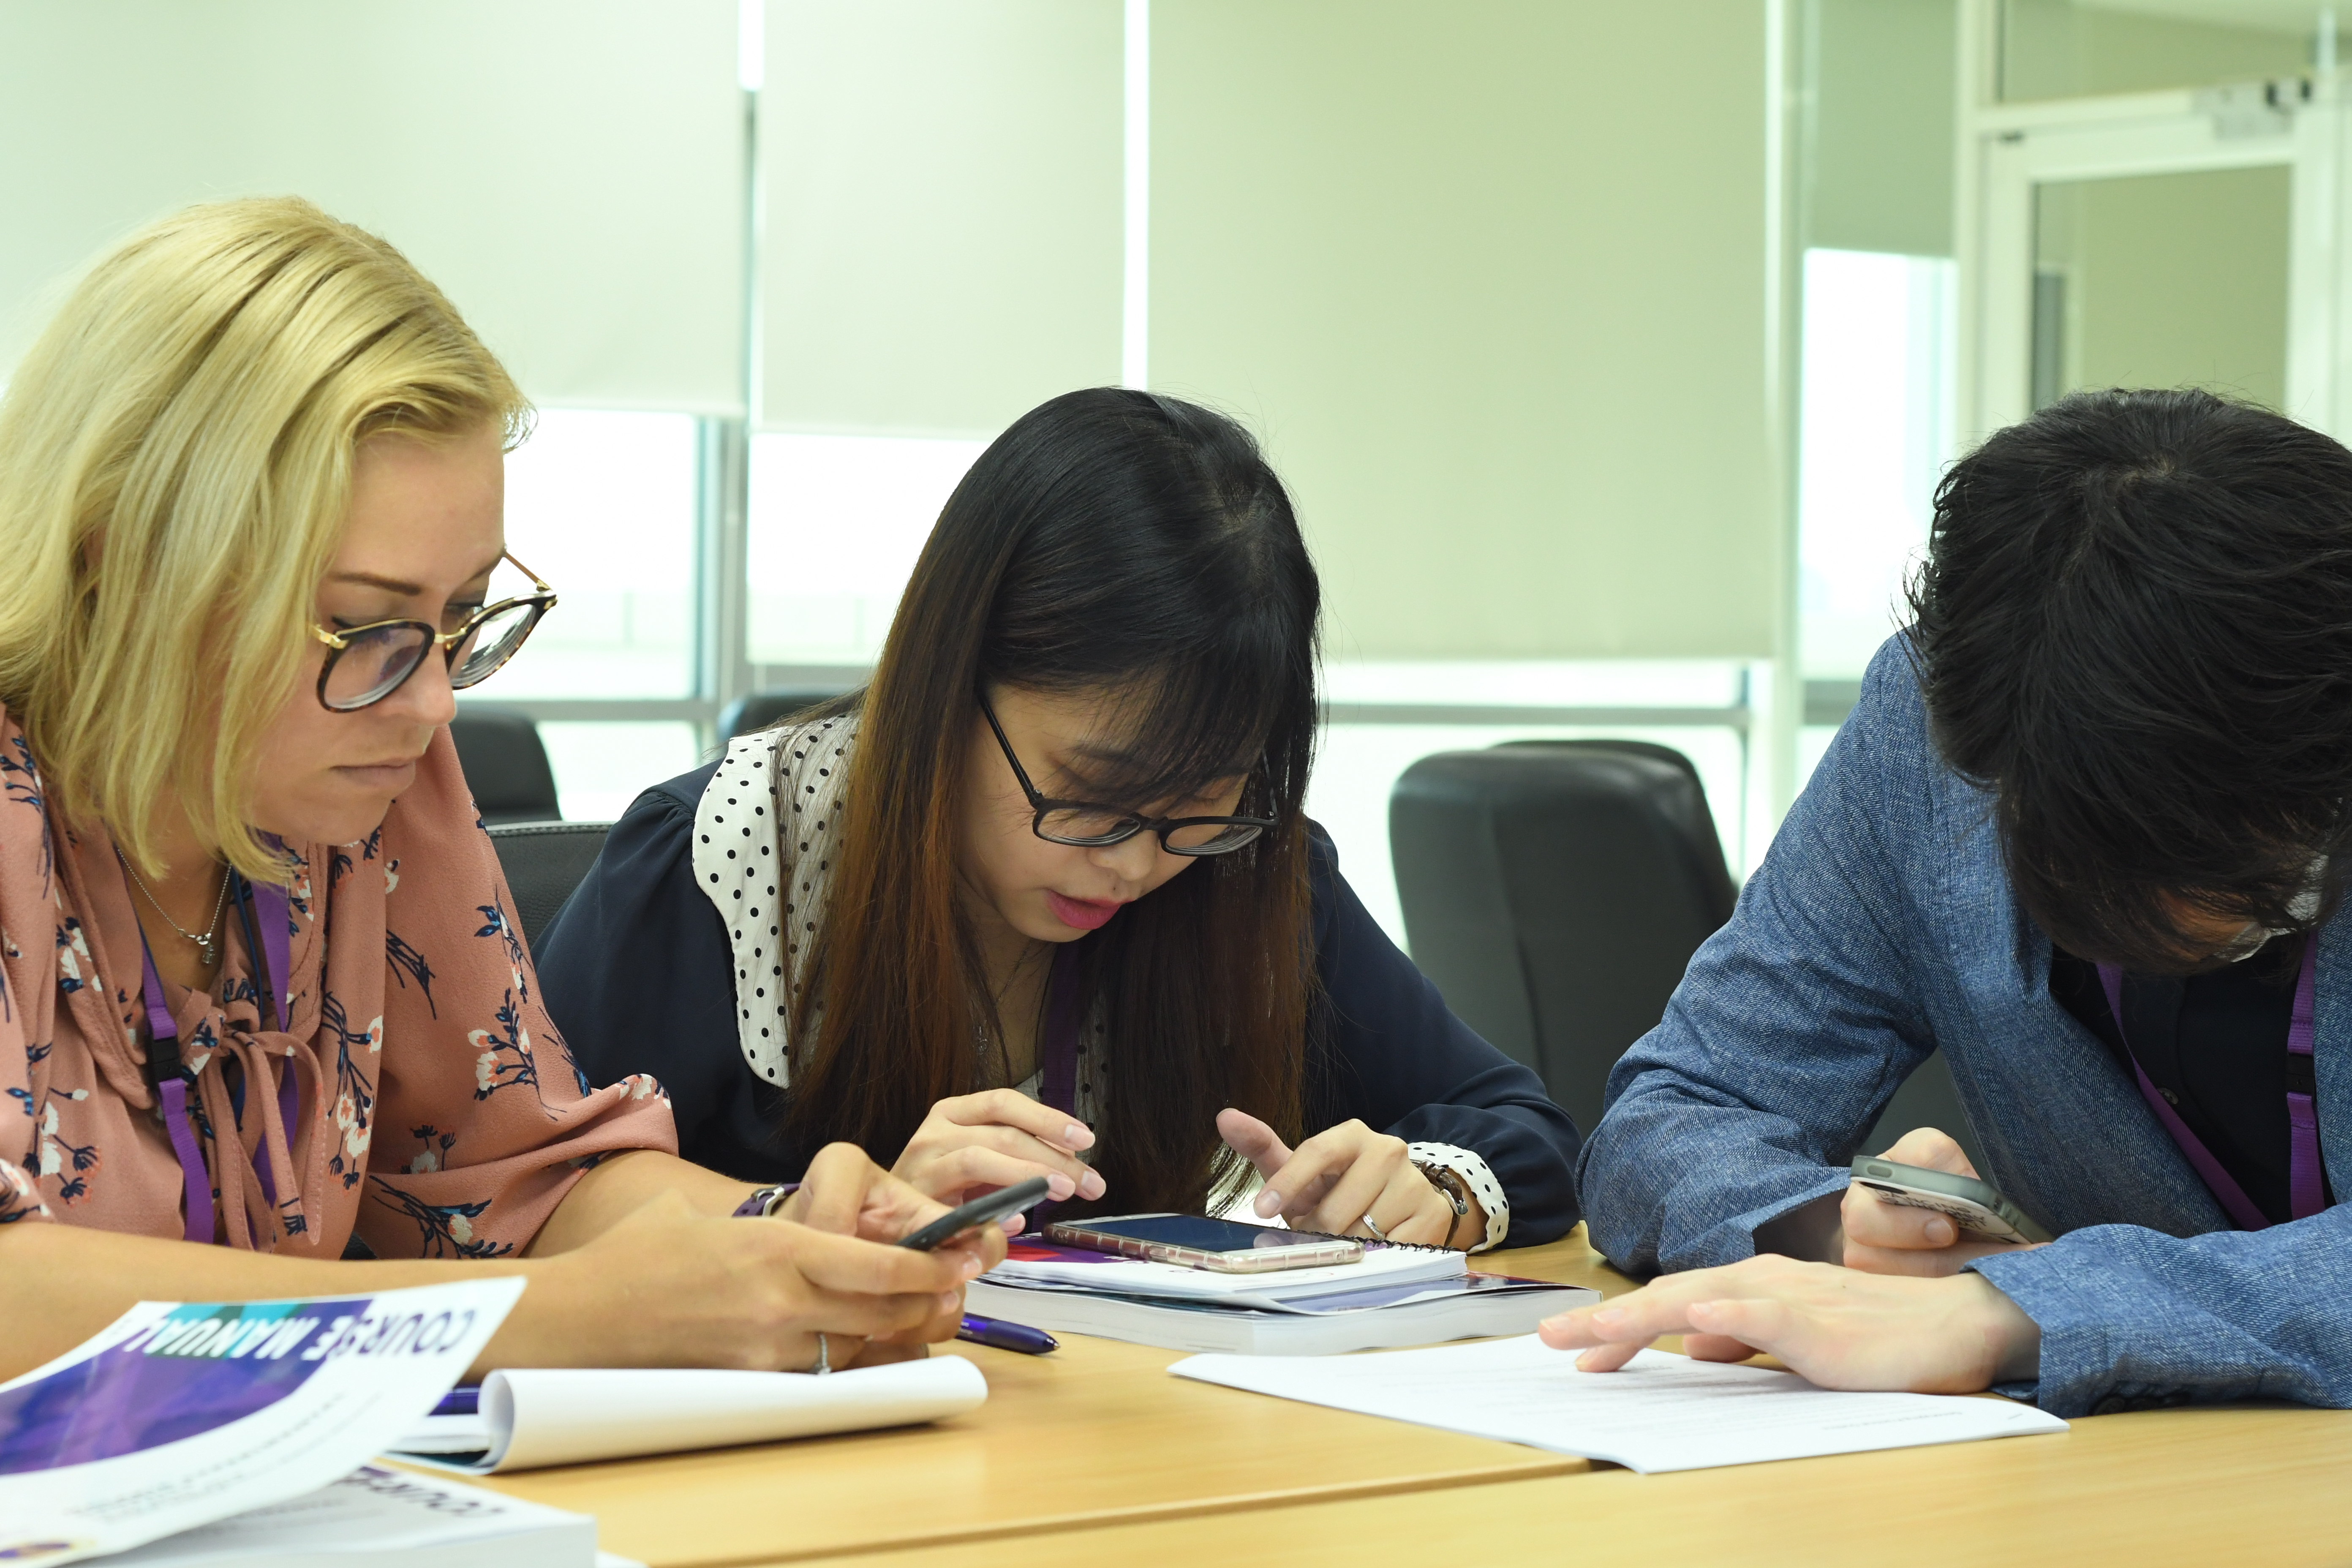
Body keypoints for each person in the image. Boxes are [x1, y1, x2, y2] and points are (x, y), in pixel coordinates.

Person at [0, 197, 1001, 1385]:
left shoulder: (374, 788)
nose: (433, 706)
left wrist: (773, 1242)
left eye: (463, 617)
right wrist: (561, 1318)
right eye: (368, 625)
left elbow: (518, 1176)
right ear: (121, 558)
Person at [536, 388, 1581, 1250]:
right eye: (1087, 793)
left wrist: (1434, 1186)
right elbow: (528, 1207)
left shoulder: (1244, 869)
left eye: (1195, 808)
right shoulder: (728, 855)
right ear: (950, 687)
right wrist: (837, 1218)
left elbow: (1524, 1127)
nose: (1132, 864)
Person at [1543, 389, 2352, 1416]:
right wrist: (1838, 1234)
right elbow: (1676, 1114)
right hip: (2118, 1473)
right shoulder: (1928, 736)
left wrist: (2013, 1311)